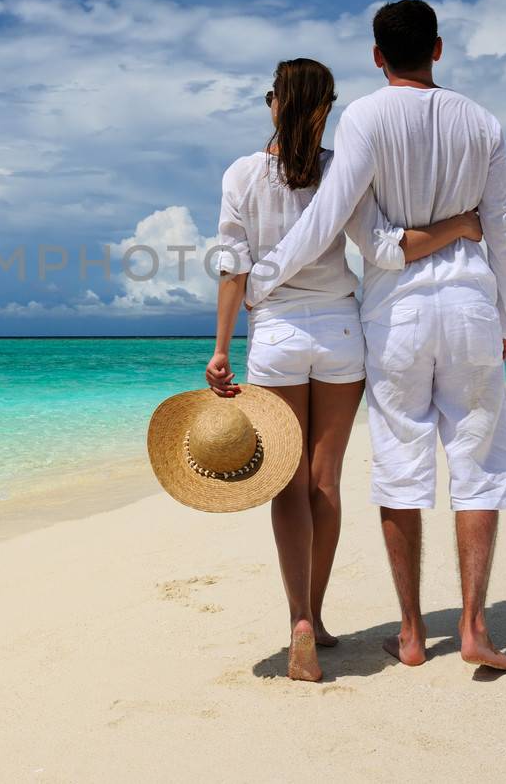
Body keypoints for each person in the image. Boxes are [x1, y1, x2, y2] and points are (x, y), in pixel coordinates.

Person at [242, 2, 506, 672]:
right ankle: (475, 626)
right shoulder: (482, 123)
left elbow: (335, 223)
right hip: (469, 305)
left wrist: (262, 280)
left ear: (376, 56)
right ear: (438, 49)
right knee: (477, 462)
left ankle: (407, 634)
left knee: (401, 463)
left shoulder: (365, 117)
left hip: (394, 317)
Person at [205, 57, 485, 682]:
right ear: (326, 108)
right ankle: (321, 616)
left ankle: (299, 617)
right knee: (324, 482)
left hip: (275, 335)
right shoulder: (341, 171)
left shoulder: (242, 175)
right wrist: (460, 226)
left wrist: (221, 348)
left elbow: (233, 267)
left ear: (272, 102)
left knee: (287, 482)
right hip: (339, 335)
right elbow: (385, 248)